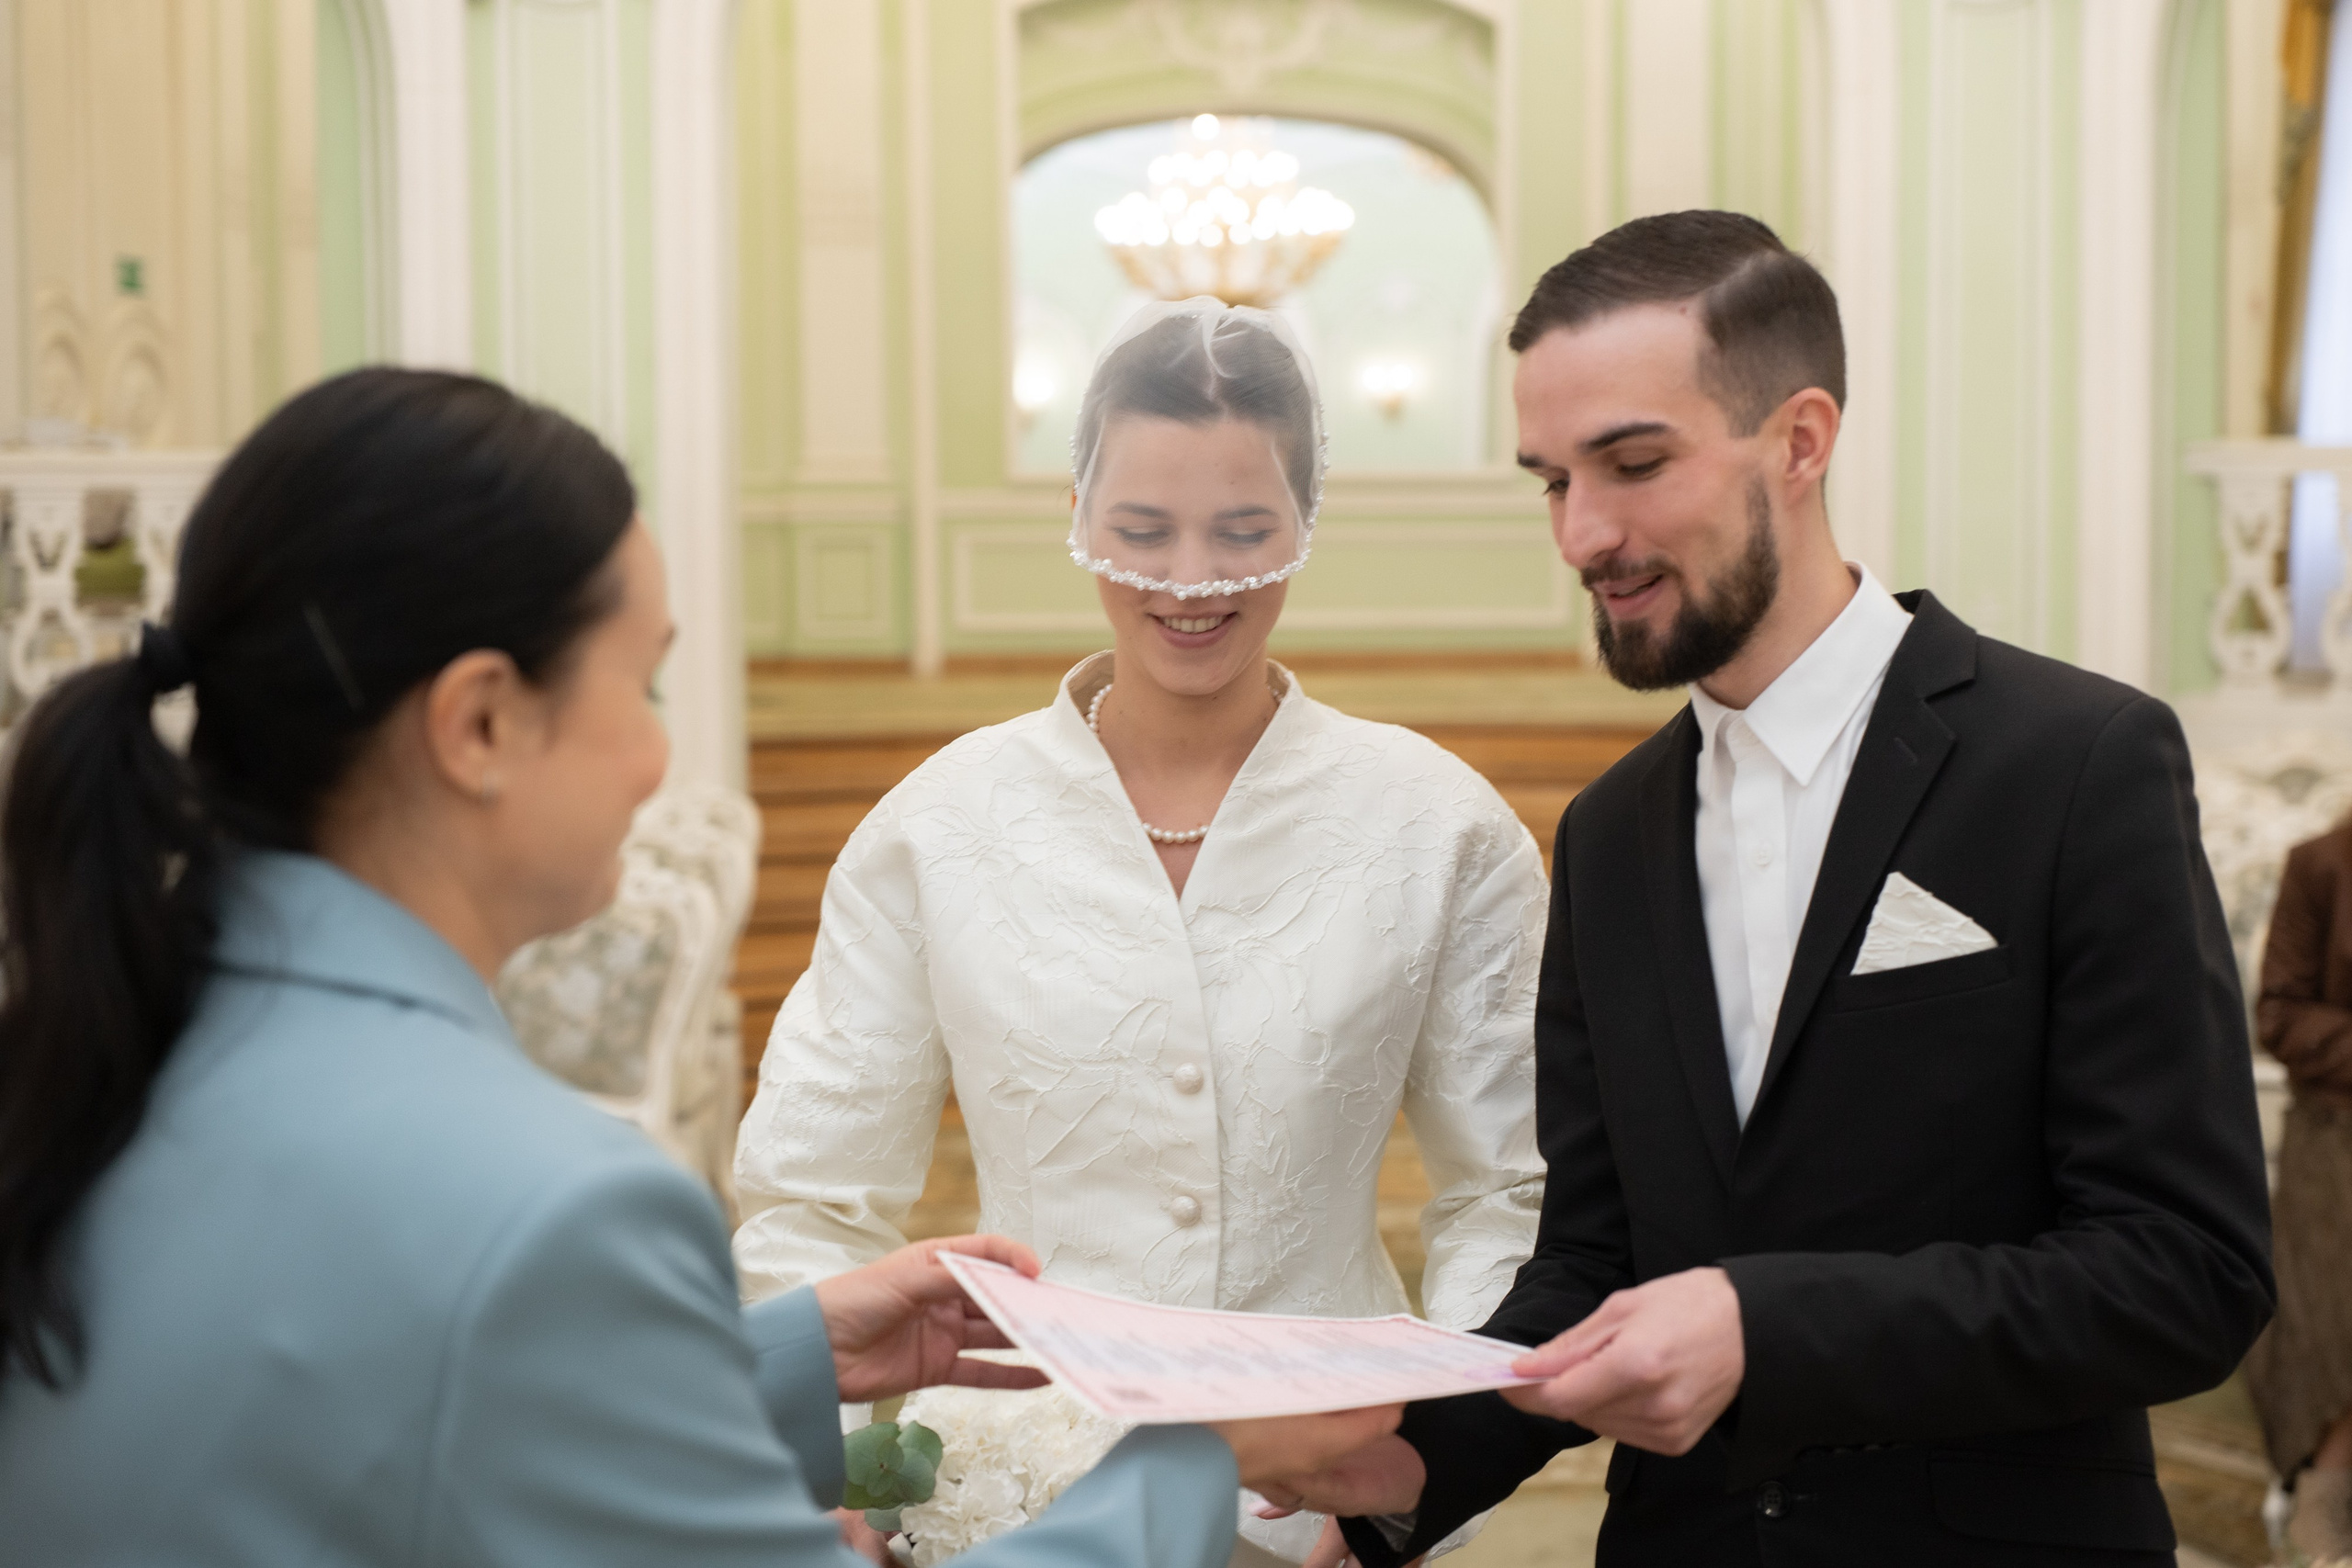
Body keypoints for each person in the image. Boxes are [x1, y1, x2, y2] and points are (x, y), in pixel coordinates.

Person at [0, 367, 1396, 1565]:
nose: (657, 751)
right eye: (645, 681)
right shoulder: (556, 1207)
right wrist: (1189, 1451)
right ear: (480, 723)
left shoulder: (95, 1055)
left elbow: (379, 1397)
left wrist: (782, 1355)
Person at [1278, 210, 2277, 1567]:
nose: (1582, 532)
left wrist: (1765, 1330)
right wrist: (1402, 1471)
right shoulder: (1609, 834)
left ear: (1801, 441)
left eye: (1634, 464)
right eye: (1552, 481)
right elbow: (1594, 1261)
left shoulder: (2077, 761)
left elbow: (2185, 1270)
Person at [732, 299, 1547, 1564]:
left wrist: (1418, 1474)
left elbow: (1509, 1188)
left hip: (1323, 1493)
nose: (1190, 579)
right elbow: (810, 1191)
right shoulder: (937, 825)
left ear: (1304, 522)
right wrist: (826, 1471)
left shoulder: (1440, 825)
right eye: (1143, 530)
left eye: (1242, 531)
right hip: (1002, 1497)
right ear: (1078, 515)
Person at [2245, 818, 2352, 1565]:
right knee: (2331, 1342)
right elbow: (2278, 1013)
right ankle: (2323, 1527)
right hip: (2334, 1140)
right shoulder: (2323, 862)